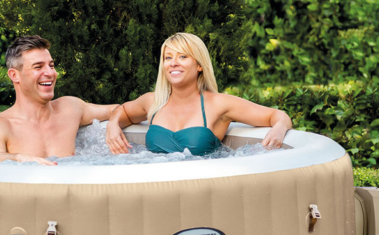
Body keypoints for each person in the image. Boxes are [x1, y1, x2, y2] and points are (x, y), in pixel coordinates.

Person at [106, 33, 291, 155]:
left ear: (200, 65)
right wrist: (113, 125)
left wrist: (279, 129)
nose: (173, 63)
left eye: (183, 56)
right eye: (168, 57)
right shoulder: (153, 101)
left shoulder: (218, 104)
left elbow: (278, 116)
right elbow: (123, 111)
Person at [0, 35, 117, 165]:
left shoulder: (70, 109)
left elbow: (116, 109)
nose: (50, 73)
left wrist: (114, 123)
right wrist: (20, 158)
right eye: (38, 67)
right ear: (14, 75)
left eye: (51, 65)